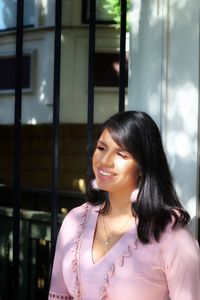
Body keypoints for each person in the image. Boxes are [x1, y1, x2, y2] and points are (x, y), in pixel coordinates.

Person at [48, 111, 200, 300]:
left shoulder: (171, 236)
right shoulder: (75, 221)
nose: (105, 161)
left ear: (143, 166)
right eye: (101, 148)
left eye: (121, 154)